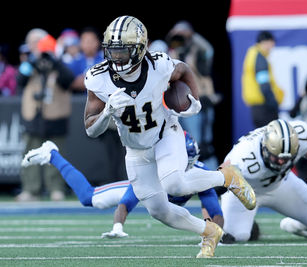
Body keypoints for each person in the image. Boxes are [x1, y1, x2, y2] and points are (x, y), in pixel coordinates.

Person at [83, 15, 256, 258]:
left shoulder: (159, 65)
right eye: (112, 51)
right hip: (135, 148)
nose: (116, 57)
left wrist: (194, 102)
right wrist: (107, 112)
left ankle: (225, 177)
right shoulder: (97, 77)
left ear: (140, 49)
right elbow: (91, 129)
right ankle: (208, 231)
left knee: (174, 183)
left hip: (165, 133)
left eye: (123, 51)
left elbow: (184, 70)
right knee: (158, 210)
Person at [21, 131, 245, 244]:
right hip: (143, 185)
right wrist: (118, 226)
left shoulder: (199, 171)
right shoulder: (157, 169)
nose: (183, 165)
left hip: (162, 204)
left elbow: (214, 210)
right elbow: (128, 201)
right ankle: (51, 154)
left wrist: (216, 233)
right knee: (90, 198)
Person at [220, 119, 307, 242]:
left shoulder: (300, 136)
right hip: (242, 192)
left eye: (286, 159)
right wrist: (210, 223)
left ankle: (292, 225)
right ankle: (247, 225)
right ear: (265, 148)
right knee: (237, 236)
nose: (281, 162)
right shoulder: (242, 157)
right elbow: (210, 187)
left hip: (281, 184)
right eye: (277, 158)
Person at [16, 29, 75, 201]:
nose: (34, 46)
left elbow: (68, 80)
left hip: (55, 115)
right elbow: (20, 80)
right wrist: (32, 62)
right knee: (30, 152)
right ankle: (30, 189)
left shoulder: (59, 60)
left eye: (37, 42)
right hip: (33, 115)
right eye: (32, 43)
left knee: (55, 153)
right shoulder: (28, 62)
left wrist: (54, 60)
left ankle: (56, 188)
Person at [166, 21, 221, 169]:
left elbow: (209, 50)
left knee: (203, 145)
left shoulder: (199, 52)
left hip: (200, 104)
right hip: (179, 106)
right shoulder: (173, 53)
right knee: (183, 143)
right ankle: (188, 176)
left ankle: (210, 177)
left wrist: (190, 34)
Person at [242, 30, 284, 128]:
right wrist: (274, 104)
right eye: (272, 43)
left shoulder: (252, 54)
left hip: (258, 107)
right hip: (264, 108)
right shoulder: (259, 58)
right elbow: (264, 84)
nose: (272, 47)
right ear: (267, 42)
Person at [69, 27, 104, 92]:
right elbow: (70, 82)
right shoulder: (76, 61)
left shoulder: (105, 59)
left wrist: (84, 80)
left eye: (91, 41)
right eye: (85, 41)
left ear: (98, 42)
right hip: (80, 99)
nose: (88, 44)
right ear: (80, 43)